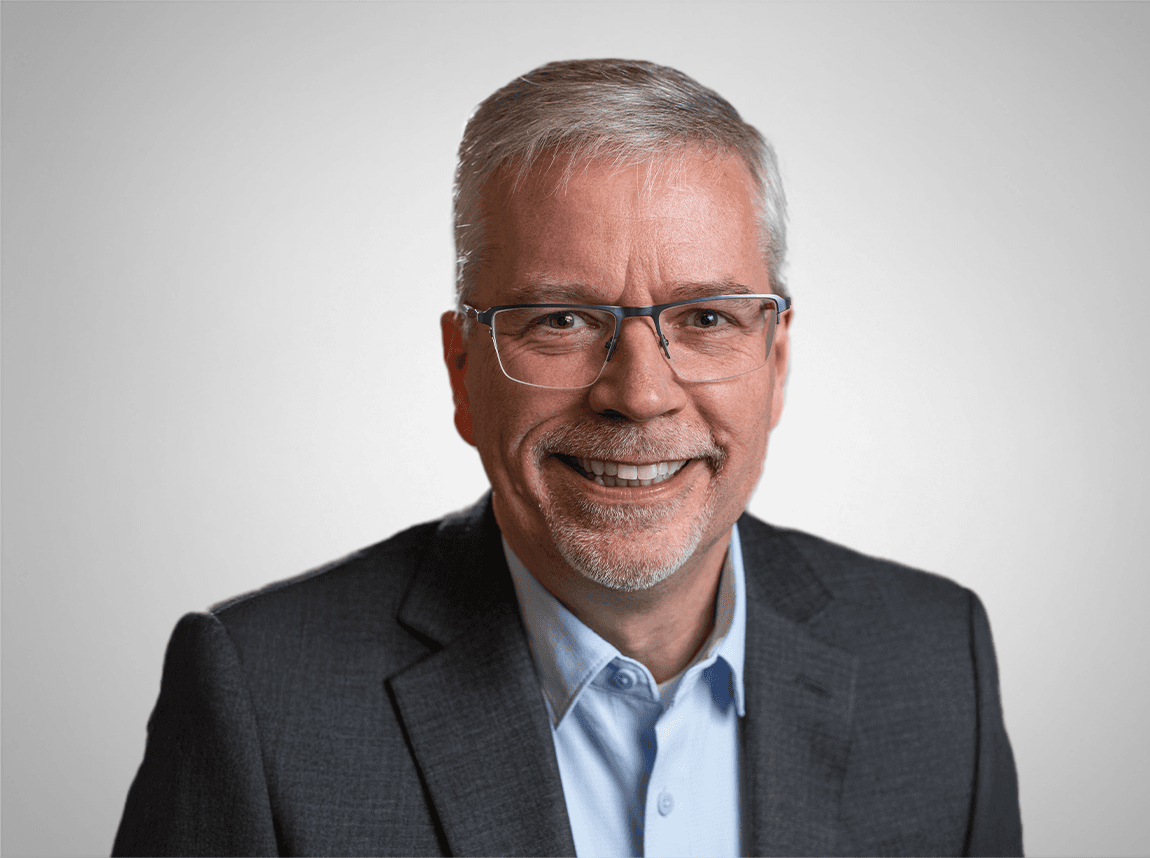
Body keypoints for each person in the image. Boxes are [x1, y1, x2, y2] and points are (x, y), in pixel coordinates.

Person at [114, 59, 1022, 857]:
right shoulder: (261, 700)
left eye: (705, 318)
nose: (639, 393)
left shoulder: (936, 661)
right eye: (562, 319)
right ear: (464, 371)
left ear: (775, 364)